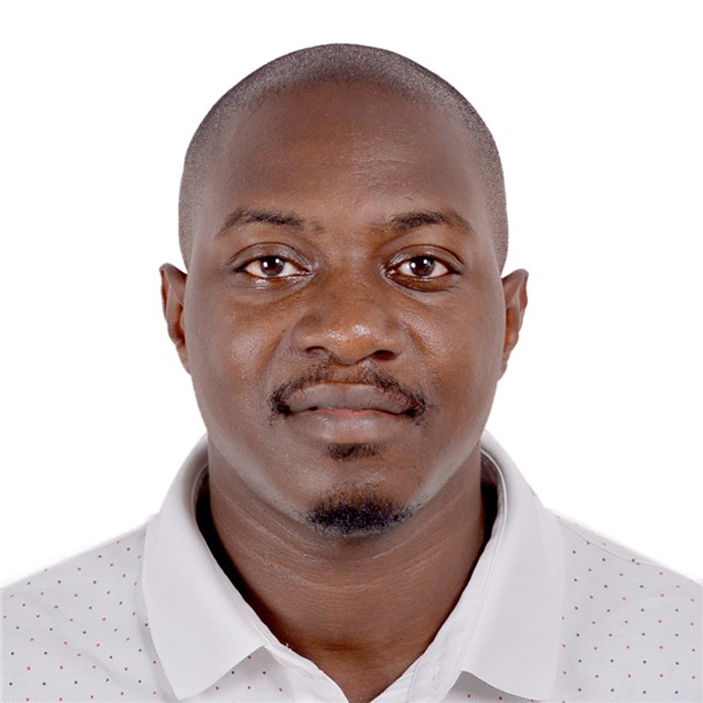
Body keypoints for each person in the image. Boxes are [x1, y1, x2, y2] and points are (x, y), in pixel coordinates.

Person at [2, 43, 700, 703]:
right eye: (270, 263)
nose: (349, 331)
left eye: (421, 264)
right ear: (180, 317)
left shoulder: (680, 658)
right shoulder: (21, 664)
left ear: (509, 320)